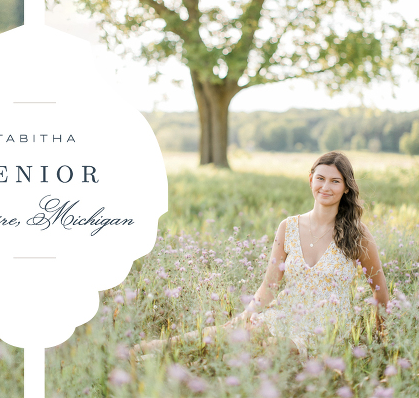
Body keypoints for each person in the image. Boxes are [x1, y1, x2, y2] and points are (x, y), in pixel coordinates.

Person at [136, 151, 388, 357]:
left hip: (328, 328)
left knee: (268, 352)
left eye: (335, 181)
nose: (325, 186)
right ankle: (145, 352)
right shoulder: (288, 227)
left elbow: (380, 292)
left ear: (346, 188)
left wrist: (379, 343)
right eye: (320, 178)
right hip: (287, 315)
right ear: (310, 179)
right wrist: (245, 316)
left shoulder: (358, 234)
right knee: (229, 332)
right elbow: (269, 287)